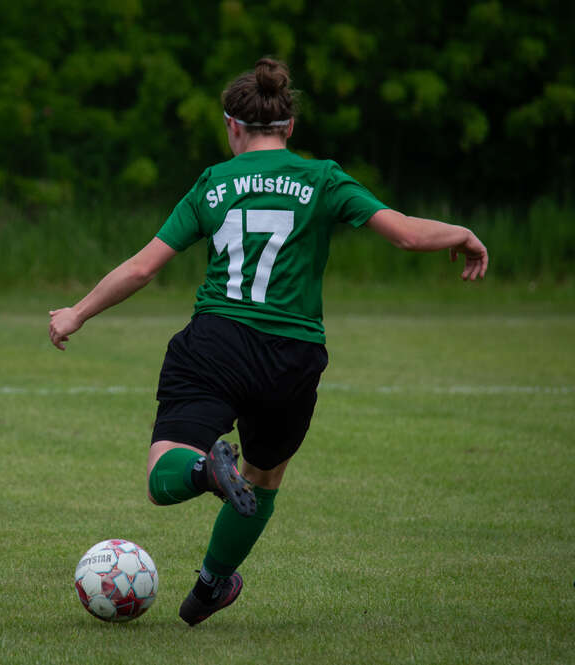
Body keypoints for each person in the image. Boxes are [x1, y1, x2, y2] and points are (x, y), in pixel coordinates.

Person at [48, 57, 488, 626]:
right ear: (289, 128)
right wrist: (463, 233)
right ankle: (209, 587)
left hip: (217, 339)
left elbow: (142, 268)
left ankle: (207, 473)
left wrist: (78, 313)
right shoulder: (323, 178)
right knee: (263, 475)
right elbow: (403, 233)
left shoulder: (214, 182)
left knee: (166, 472)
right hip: (293, 355)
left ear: (233, 126)